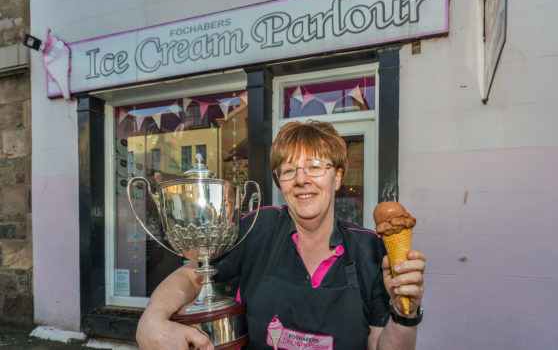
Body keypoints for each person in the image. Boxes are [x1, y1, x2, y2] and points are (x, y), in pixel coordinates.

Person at [136, 121, 426, 350]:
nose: (302, 180)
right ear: (280, 182)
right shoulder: (260, 227)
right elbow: (193, 274)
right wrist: (151, 320)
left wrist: (406, 314)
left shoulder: (369, 249)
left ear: (337, 177)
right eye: (289, 170)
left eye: (315, 167)